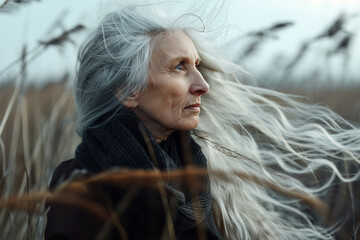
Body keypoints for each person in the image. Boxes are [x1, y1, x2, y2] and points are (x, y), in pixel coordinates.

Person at [45, 2, 360, 240]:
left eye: (196, 65)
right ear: (128, 90)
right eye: (179, 67)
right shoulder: (81, 186)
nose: (202, 84)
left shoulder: (197, 177)